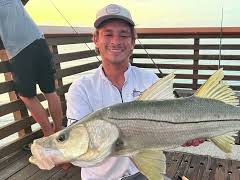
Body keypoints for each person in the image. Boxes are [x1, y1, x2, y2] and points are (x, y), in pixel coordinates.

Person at [66, 4, 202, 179]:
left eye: (124, 35)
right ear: (95, 39)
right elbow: (77, 147)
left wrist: (187, 133)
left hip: (143, 172)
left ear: (133, 42)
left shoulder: (150, 80)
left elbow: (169, 126)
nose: (116, 41)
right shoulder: (81, 88)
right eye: (108, 34)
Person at [0, 0, 63, 138]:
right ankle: (59, 131)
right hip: (39, 41)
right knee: (50, 91)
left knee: (26, 95)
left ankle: (48, 133)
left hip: (19, 50)